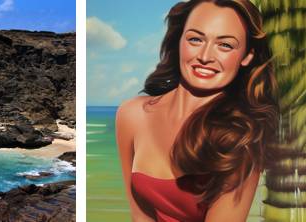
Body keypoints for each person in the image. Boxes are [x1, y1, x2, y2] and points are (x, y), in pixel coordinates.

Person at [116, 0, 277, 221]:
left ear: (247, 56)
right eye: (195, 39)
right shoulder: (131, 114)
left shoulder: (242, 137)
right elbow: (139, 214)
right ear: (179, 39)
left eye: (225, 45)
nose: (205, 56)